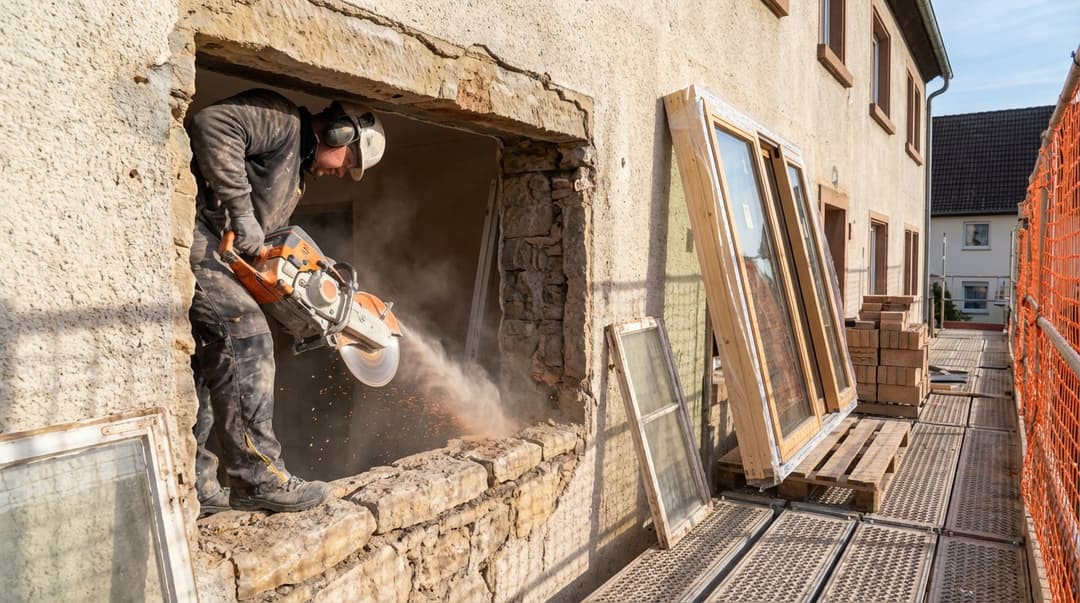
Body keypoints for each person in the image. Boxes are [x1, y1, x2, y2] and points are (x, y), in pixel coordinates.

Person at [186, 89, 386, 514]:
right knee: (248, 340)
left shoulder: (296, 170)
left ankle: (200, 485)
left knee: (209, 365)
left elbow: (270, 232)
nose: (342, 172)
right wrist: (240, 215)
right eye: (349, 161)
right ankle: (257, 479)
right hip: (200, 240)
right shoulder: (280, 119)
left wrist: (315, 269)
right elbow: (212, 125)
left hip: (219, 253)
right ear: (339, 133)